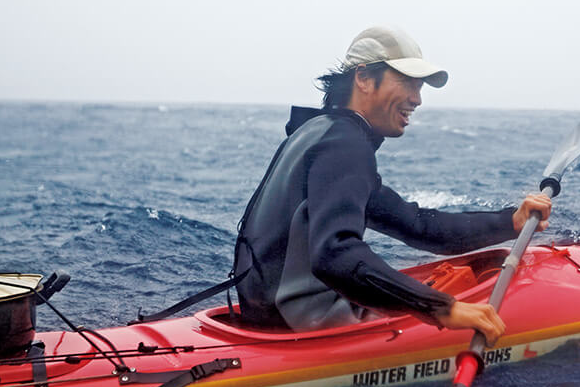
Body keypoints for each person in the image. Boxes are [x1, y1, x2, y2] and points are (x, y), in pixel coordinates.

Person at [230, 26, 552, 345]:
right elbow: (334, 255)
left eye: (420, 86)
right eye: (408, 82)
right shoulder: (346, 146)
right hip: (303, 329)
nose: (418, 98)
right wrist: (441, 309)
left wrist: (510, 221)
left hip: (262, 319)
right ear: (364, 78)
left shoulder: (319, 132)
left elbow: (417, 226)